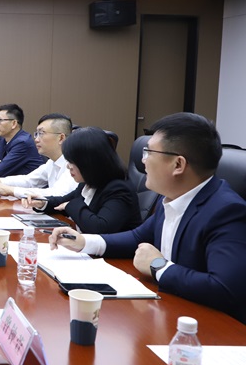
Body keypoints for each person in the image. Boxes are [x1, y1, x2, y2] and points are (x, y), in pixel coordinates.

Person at [50, 113, 246, 323]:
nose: (142, 161)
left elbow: (224, 289)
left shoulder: (226, 211)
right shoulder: (171, 197)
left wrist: (158, 266)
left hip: (209, 327)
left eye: (149, 152)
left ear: (178, 165)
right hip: (168, 309)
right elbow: (137, 237)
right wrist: (83, 242)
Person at [25, 127, 141, 233]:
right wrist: (42, 202)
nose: (68, 166)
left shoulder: (119, 189)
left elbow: (100, 227)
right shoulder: (88, 182)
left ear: (89, 162)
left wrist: (70, 205)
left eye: (72, 161)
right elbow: (63, 202)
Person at [0, 113, 76, 198]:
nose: (36, 139)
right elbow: (29, 180)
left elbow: (57, 193)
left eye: (41, 133)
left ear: (61, 138)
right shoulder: (51, 162)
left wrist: (11, 190)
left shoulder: (74, 164)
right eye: (36, 134)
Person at [0, 103, 42, 177]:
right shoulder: (4, 139)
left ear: (13, 124)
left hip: (28, 184)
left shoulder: (22, 143)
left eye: (0, 120)